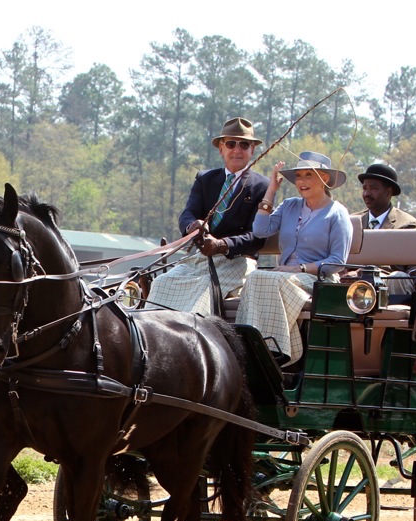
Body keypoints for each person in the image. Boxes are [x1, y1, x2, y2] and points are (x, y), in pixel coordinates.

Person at [238, 151, 354, 366]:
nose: (301, 181)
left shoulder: (337, 214)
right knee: (255, 277)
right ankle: (251, 346)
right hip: (283, 278)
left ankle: (274, 351)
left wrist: (299, 269)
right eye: (298, 176)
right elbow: (260, 230)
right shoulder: (289, 205)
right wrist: (271, 191)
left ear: (324, 179)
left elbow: (337, 262)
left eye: (308, 175)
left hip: (318, 280)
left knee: (270, 279)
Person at [147, 117, 271, 314]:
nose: (237, 150)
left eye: (244, 144)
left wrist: (221, 245)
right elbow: (188, 213)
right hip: (200, 259)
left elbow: (256, 237)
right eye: (231, 144)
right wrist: (192, 226)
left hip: (237, 261)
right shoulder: (205, 179)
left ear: (252, 150)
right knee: (161, 283)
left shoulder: (262, 186)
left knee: (203, 291)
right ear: (221, 149)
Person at [355, 163, 416, 297]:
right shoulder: (353, 221)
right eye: (364, 188)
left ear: (388, 192)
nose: (366, 193)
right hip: (352, 282)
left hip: (385, 284)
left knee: (398, 277)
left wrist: (371, 273)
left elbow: (407, 267)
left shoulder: (407, 224)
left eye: (373, 188)